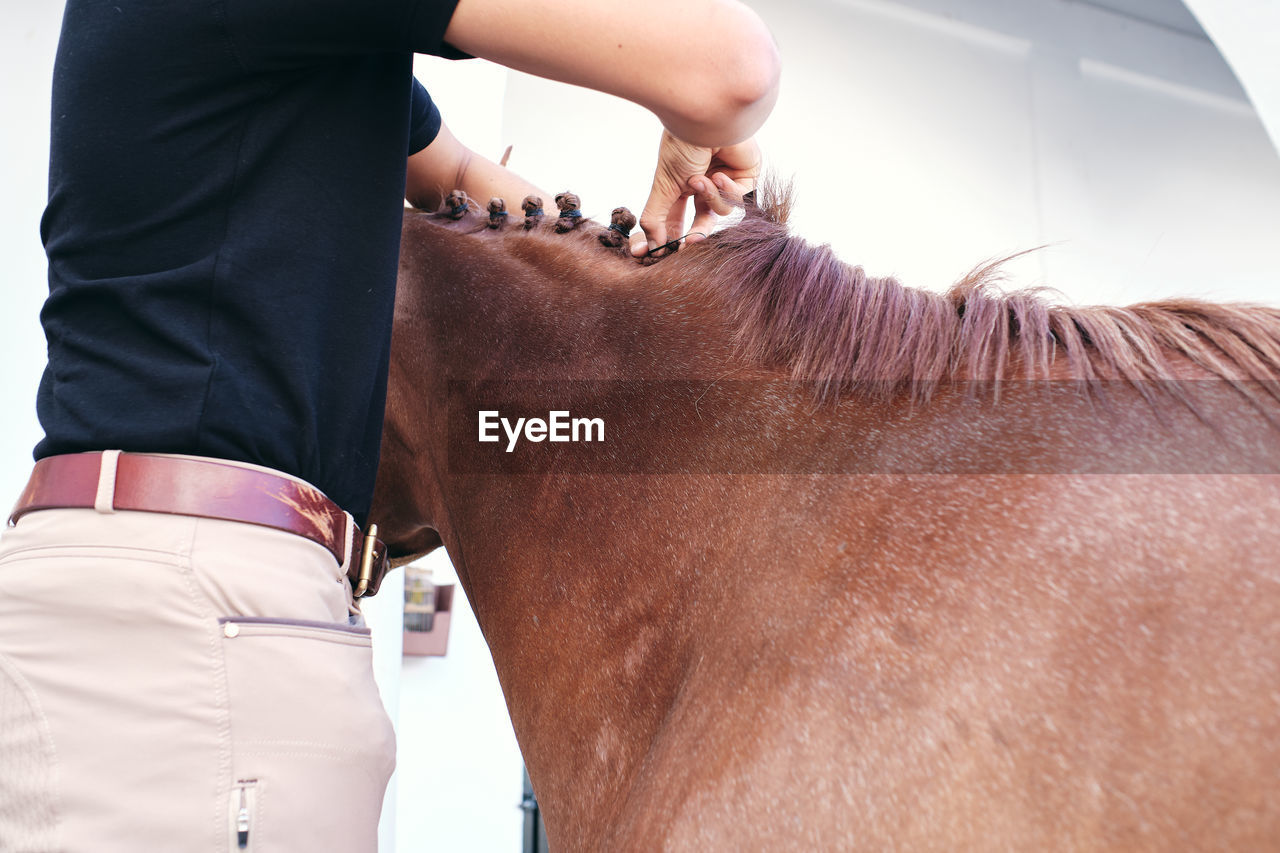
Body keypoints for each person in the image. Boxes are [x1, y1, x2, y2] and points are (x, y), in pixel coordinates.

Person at [0, 0, 779, 849]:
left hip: (167, 596)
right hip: (192, 608)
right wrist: (685, 121)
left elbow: (460, 177)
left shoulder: (299, 51)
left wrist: (635, 257)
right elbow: (729, 71)